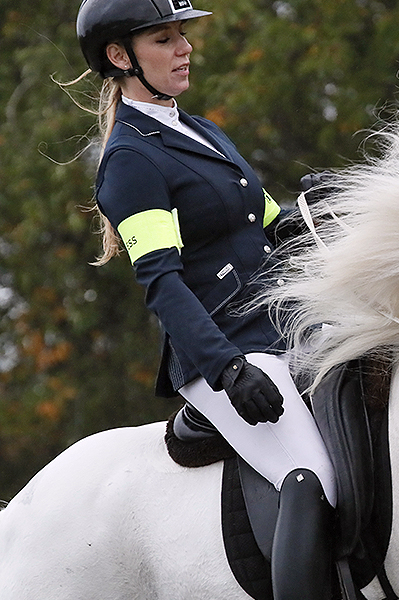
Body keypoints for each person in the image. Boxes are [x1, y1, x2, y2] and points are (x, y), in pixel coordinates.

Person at [75, 1, 336, 597]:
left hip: (282, 324)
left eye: (182, 36)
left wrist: (323, 210)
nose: (185, 48)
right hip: (225, 350)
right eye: (165, 39)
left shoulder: (203, 131)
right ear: (121, 57)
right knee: (313, 479)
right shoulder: (131, 161)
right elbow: (164, 283)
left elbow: (268, 225)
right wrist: (226, 370)